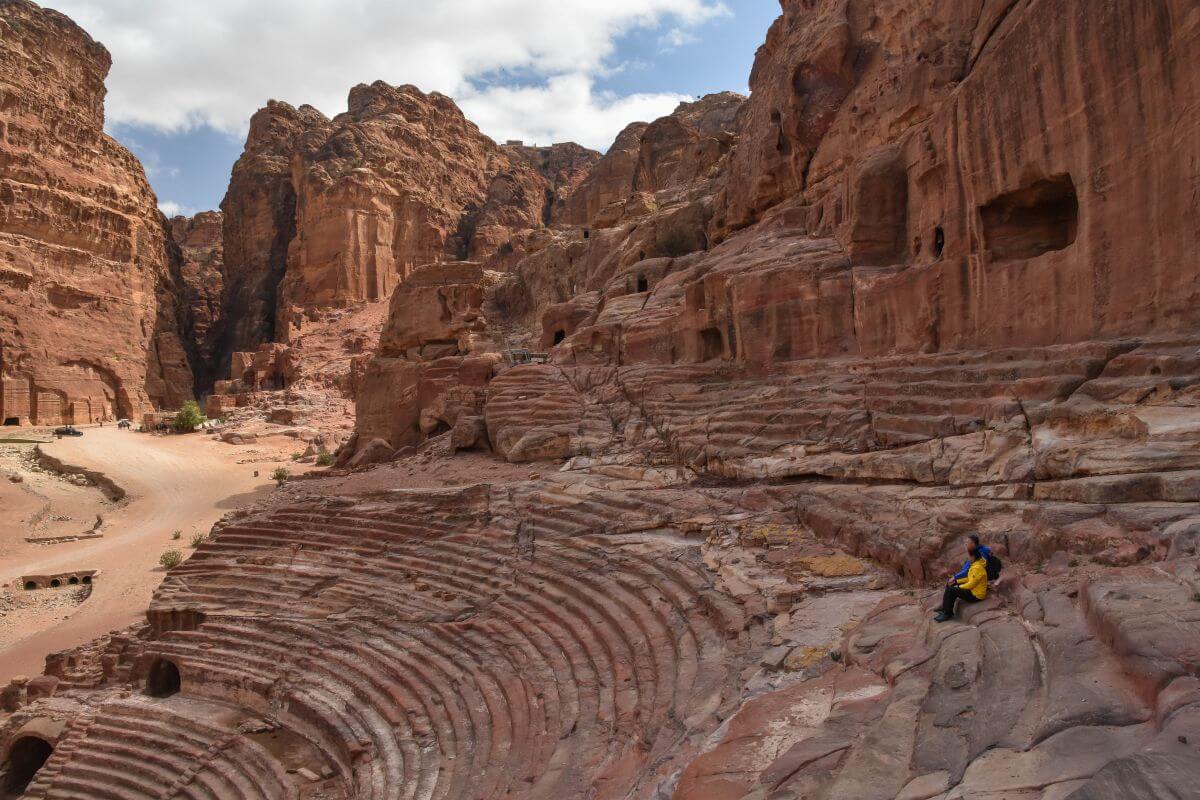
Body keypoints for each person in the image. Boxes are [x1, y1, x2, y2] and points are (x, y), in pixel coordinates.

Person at [935, 534, 989, 622]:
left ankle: (948, 613)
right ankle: (945, 608)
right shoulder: (975, 564)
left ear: (973, 557)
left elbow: (971, 584)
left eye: (969, 557)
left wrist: (959, 587)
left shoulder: (977, 568)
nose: (968, 558)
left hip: (975, 595)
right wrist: (956, 581)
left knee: (953, 590)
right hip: (973, 589)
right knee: (950, 584)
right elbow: (969, 578)